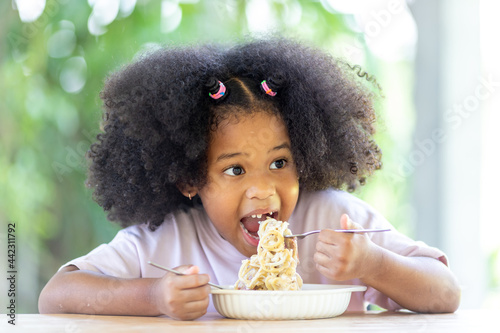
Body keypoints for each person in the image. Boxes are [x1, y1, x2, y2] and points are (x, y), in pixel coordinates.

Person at [38, 37, 460, 320]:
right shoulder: (166, 241)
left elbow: (446, 293)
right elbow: (56, 296)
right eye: (235, 170)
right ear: (189, 178)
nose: (263, 189)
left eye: (280, 163)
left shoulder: (334, 219)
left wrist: (373, 263)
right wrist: (152, 297)